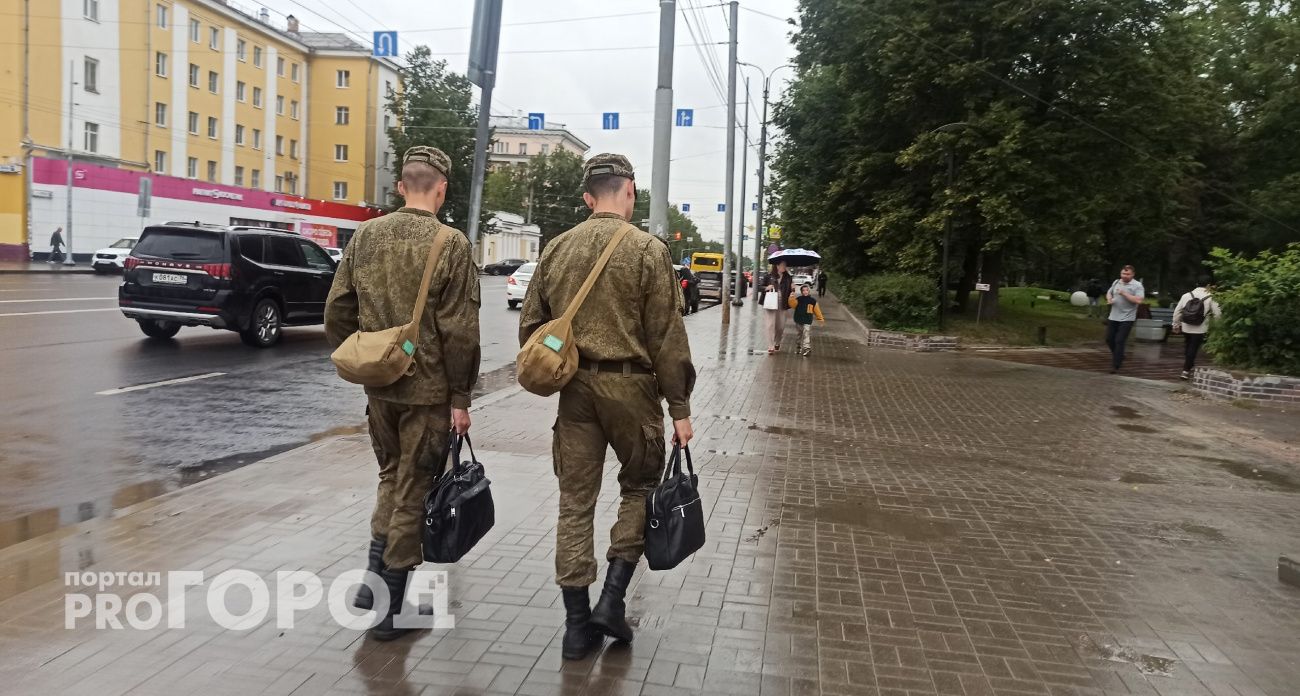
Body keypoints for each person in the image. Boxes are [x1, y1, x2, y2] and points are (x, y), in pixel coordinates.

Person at [519, 153, 695, 660]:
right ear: (631, 192)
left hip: (575, 394)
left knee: (575, 504)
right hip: (633, 392)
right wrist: (679, 408)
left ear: (587, 197)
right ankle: (611, 601)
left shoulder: (557, 248)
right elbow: (667, 337)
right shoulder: (647, 250)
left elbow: (532, 329)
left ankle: (577, 627)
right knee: (639, 488)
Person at [324, 146, 481, 641]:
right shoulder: (450, 242)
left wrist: (363, 353)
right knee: (414, 488)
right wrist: (460, 397)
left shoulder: (366, 234)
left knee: (391, 477)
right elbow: (461, 332)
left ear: (399, 187)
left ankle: (372, 587)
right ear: (442, 188)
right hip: (428, 392)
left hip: (379, 388)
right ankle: (389, 613)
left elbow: (337, 309)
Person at [1172, 275, 1220, 380]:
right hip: (1200, 327)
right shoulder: (1211, 296)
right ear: (1208, 285)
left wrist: (1176, 324)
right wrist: (1218, 327)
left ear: (1196, 284)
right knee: (1193, 348)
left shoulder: (1186, 295)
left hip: (1186, 326)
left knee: (1188, 346)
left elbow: (1177, 311)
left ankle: (1189, 364)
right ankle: (1185, 371)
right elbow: (1217, 314)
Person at [1104, 265, 1145, 373]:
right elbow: (1109, 292)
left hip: (1127, 318)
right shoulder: (1117, 281)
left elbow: (1139, 300)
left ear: (1133, 274)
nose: (1125, 276)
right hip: (1113, 316)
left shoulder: (1137, 285)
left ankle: (1115, 365)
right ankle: (1120, 356)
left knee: (1119, 341)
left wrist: (1124, 293)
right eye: (1123, 274)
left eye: (1128, 274)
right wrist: (1109, 299)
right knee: (1109, 339)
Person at [760, 260, 793, 354]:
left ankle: (777, 342)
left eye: (785, 265)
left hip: (782, 304)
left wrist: (793, 288)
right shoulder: (768, 276)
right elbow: (759, 286)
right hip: (770, 303)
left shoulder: (788, 278)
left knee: (780, 326)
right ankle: (770, 346)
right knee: (770, 325)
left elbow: (791, 291)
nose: (784, 267)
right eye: (783, 265)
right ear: (777, 266)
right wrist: (766, 288)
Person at [792, 284, 826, 356]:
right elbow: (792, 304)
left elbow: (817, 311)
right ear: (801, 292)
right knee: (799, 335)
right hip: (798, 319)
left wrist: (820, 319)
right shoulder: (798, 299)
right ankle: (798, 347)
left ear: (809, 291)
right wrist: (791, 297)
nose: (805, 292)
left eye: (806, 290)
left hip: (807, 320)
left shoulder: (812, 301)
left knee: (806, 334)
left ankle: (807, 348)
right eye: (803, 290)